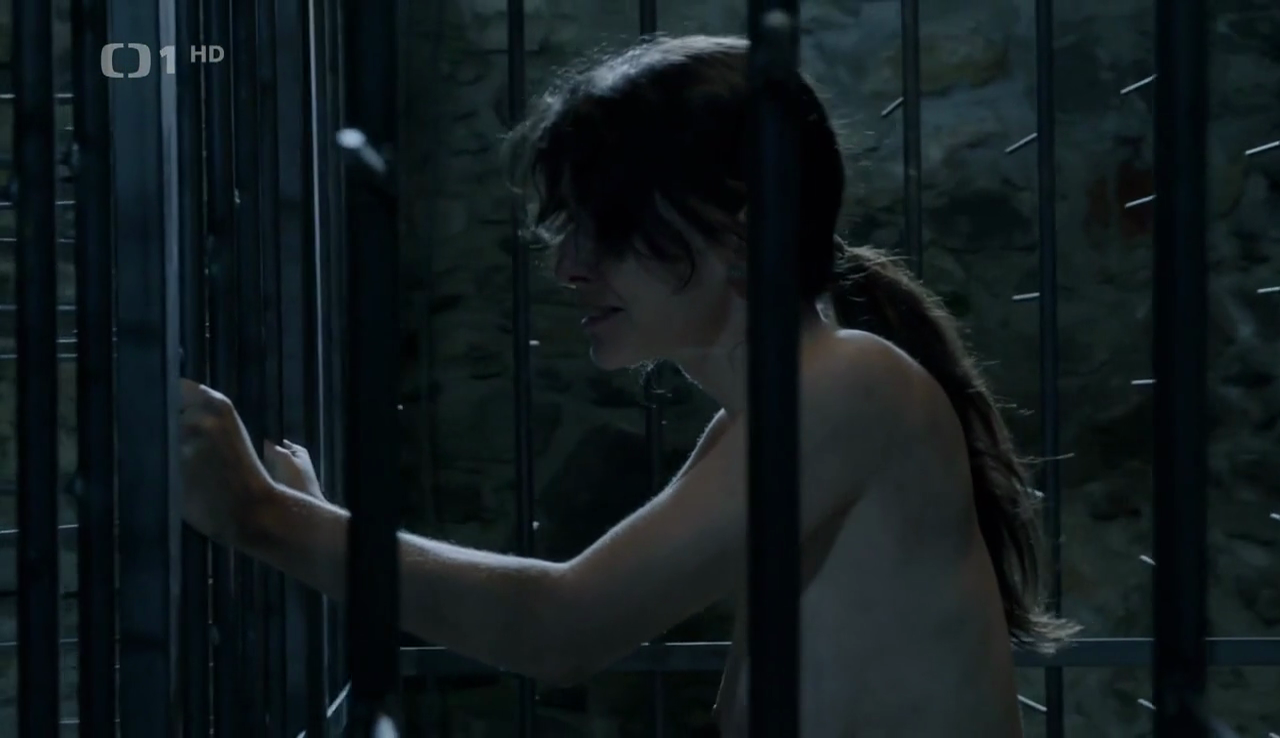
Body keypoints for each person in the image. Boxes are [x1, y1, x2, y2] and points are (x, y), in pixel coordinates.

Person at [179, 34, 1078, 737]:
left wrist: (266, 516)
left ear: (742, 228)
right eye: (569, 226)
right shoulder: (784, 410)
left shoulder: (849, 385)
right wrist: (309, 524)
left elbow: (562, 628)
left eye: (606, 225)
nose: (568, 266)